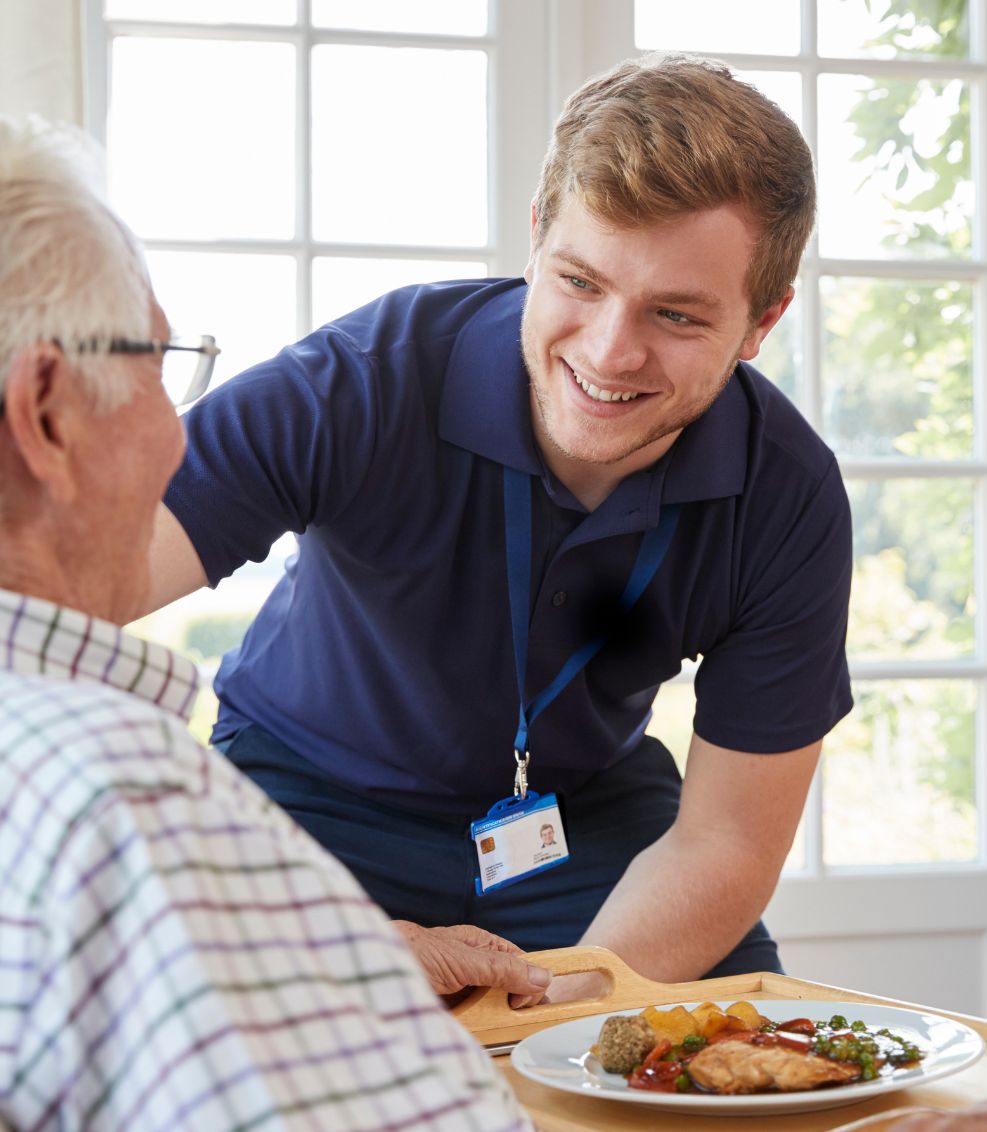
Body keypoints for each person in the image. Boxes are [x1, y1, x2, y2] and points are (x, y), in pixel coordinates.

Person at [145, 52, 854, 990]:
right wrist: (332, 957)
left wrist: (558, 1010)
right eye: (582, 282)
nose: (610, 352)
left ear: (763, 322)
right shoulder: (361, 382)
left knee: (722, 1066)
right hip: (305, 798)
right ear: (535, 240)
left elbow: (725, 842)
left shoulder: (788, 492)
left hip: (582, 820)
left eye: (676, 315)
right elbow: (51, 580)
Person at [0, 114, 535, 1130]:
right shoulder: (121, 798)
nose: (178, 438)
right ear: (48, 414)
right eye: (161, 366)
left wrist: (325, 958)